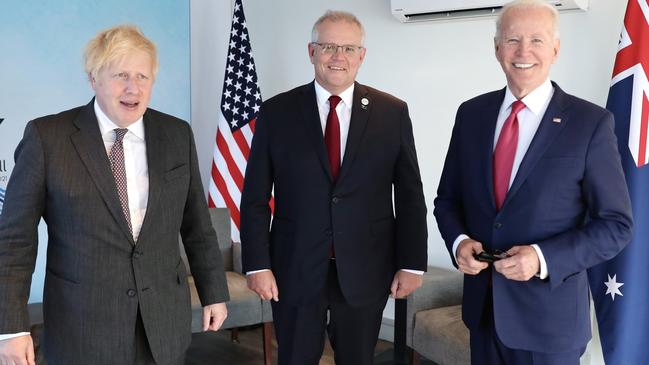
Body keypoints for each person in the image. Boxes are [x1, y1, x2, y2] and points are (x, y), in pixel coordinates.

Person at [0, 25, 229, 365]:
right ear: (94, 78)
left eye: (143, 76)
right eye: (121, 74)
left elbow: (196, 225)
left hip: (163, 324)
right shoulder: (48, 138)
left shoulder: (176, 134)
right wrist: (11, 329)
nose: (133, 88)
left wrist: (214, 292)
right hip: (82, 328)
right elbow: (14, 241)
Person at [433, 1, 633, 364]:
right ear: (497, 48)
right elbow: (447, 199)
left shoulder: (590, 123)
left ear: (555, 49)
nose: (523, 51)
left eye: (537, 40)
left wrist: (542, 259)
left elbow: (616, 226)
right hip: (484, 316)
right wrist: (459, 242)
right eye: (512, 39)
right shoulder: (471, 114)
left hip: (549, 326)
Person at [240, 10, 428, 365]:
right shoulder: (276, 112)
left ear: (362, 55)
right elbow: (254, 197)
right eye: (328, 47)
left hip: (366, 267)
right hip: (293, 268)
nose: (338, 57)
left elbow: (409, 195)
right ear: (311, 52)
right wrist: (257, 265)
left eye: (348, 48)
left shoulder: (392, 113)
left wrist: (412, 262)